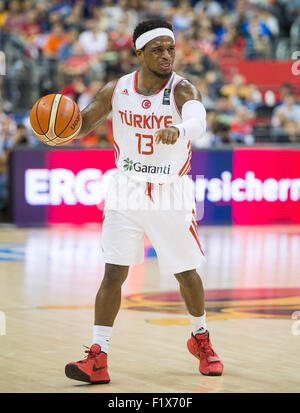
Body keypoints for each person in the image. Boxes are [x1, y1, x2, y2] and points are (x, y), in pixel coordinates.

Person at [64, 19, 223, 384]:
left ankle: (200, 338)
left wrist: (179, 129)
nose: (167, 55)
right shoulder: (117, 89)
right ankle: (97, 356)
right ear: (139, 53)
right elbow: (85, 121)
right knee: (113, 274)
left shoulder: (182, 90)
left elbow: (198, 124)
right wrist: (61, 131)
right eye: (157, 49)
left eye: (170, 48)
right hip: (126, 189)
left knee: (186, 273)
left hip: (170, 192)